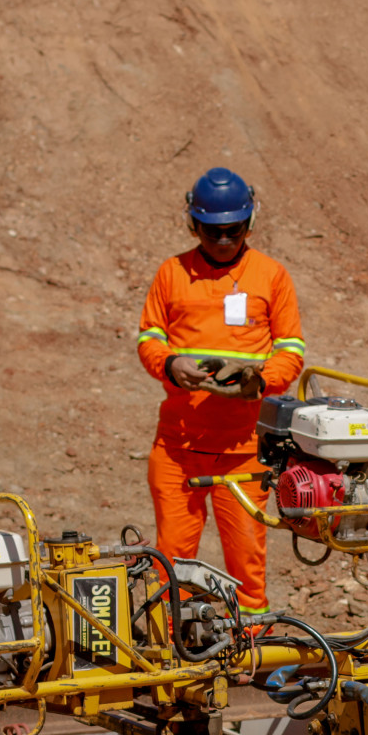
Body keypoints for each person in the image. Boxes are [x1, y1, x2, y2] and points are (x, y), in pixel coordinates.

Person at [136, 168, 306, 616]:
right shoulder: (172, 274)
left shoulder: (271, 276)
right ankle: (170, 646)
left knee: (247, 561)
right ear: (194, 225)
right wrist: (171, 364)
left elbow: (290, 350)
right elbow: (149, 339)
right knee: (171, 559)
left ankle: (249, 645)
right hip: (179, 446)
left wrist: (260, 381)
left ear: (250, 222)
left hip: (243, 449)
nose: (225, 240)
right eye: (214, 232)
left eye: (235, 230)